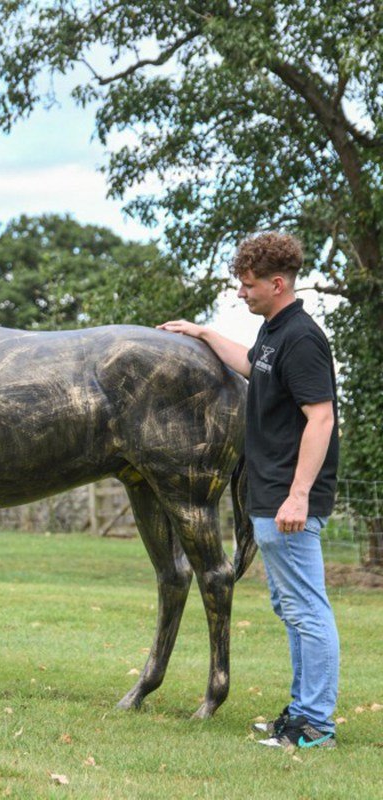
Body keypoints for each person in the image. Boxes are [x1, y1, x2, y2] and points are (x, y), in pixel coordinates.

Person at [158, 232, 340, 749]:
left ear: (276, 283)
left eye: (248, 284)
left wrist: (299, 494)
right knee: (291, 608)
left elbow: (320, 417)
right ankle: (300, 713)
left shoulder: (302, 338)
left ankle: (315, 726)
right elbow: (252, 366)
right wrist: (203, 333)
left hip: (289, 497)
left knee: (307, 609)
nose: (242, 292)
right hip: (270, 493)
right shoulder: (275, 332)